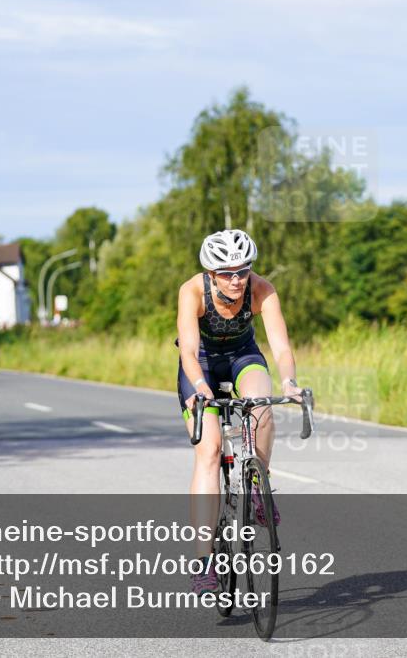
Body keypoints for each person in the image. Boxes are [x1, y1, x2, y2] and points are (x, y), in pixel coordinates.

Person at [176, 229, 302, 595]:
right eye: (227, 273)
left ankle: (257, 484)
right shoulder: (192, 291)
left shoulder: (262, 289)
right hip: (200, 363)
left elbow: (280, 346)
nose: (236, 280)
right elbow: (187, 351)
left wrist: (290, 381)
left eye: (242, 271)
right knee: (210, 450)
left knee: (262, 409)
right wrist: (200, 388)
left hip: (242, 356)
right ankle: (204, 562)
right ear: (212, 273)